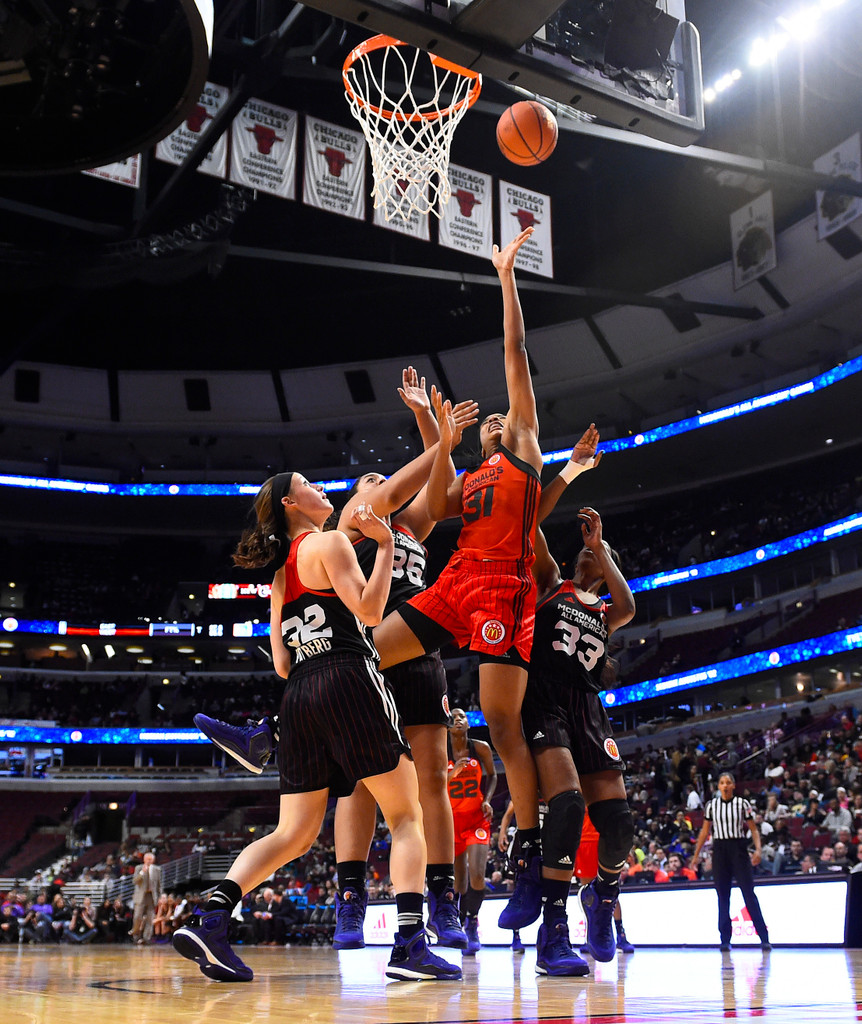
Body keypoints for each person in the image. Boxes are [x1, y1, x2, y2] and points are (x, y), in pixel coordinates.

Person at [197, 368, 478, 953]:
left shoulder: (401, 530)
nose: (371, 486)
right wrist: (436, 433)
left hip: (370, 663)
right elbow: (406, 483)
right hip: (363, 656)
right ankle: (381, 918)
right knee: (373, 795)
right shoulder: (348, 530)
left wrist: (435, 430)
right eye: (364, 484)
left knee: (419, 784)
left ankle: (217, 906)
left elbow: (433, 486)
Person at [172, 472, 459, 983]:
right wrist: (388, 543)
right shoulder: (329, 542)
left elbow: (281, 664)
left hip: (299, 695)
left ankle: (212, 917)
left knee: (293, 834)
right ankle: (411, 944)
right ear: (291, 502)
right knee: (406, 815)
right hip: (348, 677)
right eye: (311, 486)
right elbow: (370, 612)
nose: (324, 493)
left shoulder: (281, 575)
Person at [368, 227, 549, 932]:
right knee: (360, 655)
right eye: (490, 420)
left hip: (505, 584)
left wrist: (505, 277)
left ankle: (529, 859)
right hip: (456, 579)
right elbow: (430, 505)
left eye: (505, 415)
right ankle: (277, 733)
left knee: (502, 721)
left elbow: (515, 356)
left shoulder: (526, 451)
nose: (498, 417)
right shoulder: (471, 471)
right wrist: (434, 432)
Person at [520, 507, 636, 974]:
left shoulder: (609, 611)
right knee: (568, 805)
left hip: (590, 713)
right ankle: (554, 932)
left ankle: (601, 896)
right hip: (547, 701)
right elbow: (531, 529)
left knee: (621, 826)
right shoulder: (551, 582)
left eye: (601, 556)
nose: (590, 554)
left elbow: (629, 607)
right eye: (587, 551)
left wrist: (604, 548)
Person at [691, 771, 771, 951]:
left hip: (739, 849)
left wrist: (758, 849)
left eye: (728, 782)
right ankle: (725, 939)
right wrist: (696, 855)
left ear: (734, 785)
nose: (725, 785)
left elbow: (754, 829)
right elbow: (704, 832)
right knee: (723, 896)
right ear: (718, 786)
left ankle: (764, 937)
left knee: (749, 894)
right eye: (722, 783)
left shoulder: (742, 804)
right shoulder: (711, 806)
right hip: (720, 850)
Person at [446, 706, 497, 955]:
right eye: (453, 717)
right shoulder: (440, 751)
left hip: (476, 819)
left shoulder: (481, 748)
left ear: (468, 723)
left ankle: (472, 921)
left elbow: (493, 776)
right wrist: (452, 774)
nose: (458, 719)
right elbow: (429, 782)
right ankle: (459, 922)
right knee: (459, 882)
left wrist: (487, 799)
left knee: (477, 875)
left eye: (462, 716)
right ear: (446, 725)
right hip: (450, 821)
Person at [131, 851, 162, 945]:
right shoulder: (138, 868)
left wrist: (160, 896)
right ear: (144, 859)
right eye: (147, 859)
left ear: (153, 860)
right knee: (137, 917)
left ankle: (146, 938)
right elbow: (135, 881)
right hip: (141, 896)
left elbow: (159, 885)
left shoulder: (157, 869)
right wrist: (142, 873)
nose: (149, 861)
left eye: (151, 859)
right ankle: (135, 935)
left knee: (150, 918)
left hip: (152, 896)